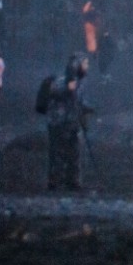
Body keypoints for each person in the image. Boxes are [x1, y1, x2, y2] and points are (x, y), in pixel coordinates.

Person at [43, 56, 94, 190]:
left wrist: (86, 110)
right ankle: (54, 181)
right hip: (58, 122)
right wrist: (67, 89)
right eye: (85, 63)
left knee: (75, 152)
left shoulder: (81, 82)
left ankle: (73, 181)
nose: (87, 66)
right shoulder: (62, 81)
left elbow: (79, 101)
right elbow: (54, 94)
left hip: (72, 122)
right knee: (58, 152)